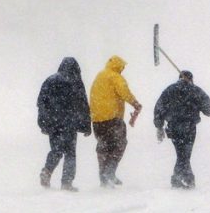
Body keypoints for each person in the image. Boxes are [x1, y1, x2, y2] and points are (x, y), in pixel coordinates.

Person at [153, 70, 210, 189]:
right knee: (184, 154)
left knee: (181, 153)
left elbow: (159, 107)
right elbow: (207, 108)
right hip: (189, 127)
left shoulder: (170, 90)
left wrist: (159, 125)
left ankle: (180, 179)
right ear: (191, 79)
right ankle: (185, 179)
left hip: (173, 127)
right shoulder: (196, 91)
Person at [37, 57, 92, 191]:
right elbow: (82, 104)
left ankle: (47, 170)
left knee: (56, 149)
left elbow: (41, 103)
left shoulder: (50, 80)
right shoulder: (75, 82)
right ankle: (66, 183)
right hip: (69, 123)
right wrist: (86, 125)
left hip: (53, 123)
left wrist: (43, 123)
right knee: (70, 153)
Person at [89, 55, 142, 188]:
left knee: (103, 147)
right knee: (119, 144)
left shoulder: (99, 76)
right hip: (112, 118)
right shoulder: (115, 77)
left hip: (97, 119)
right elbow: (124, 92)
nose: (123, 69)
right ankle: (110, 172)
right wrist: (135, 103)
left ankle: (103, 178)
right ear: (118, 66)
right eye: (122, 67)